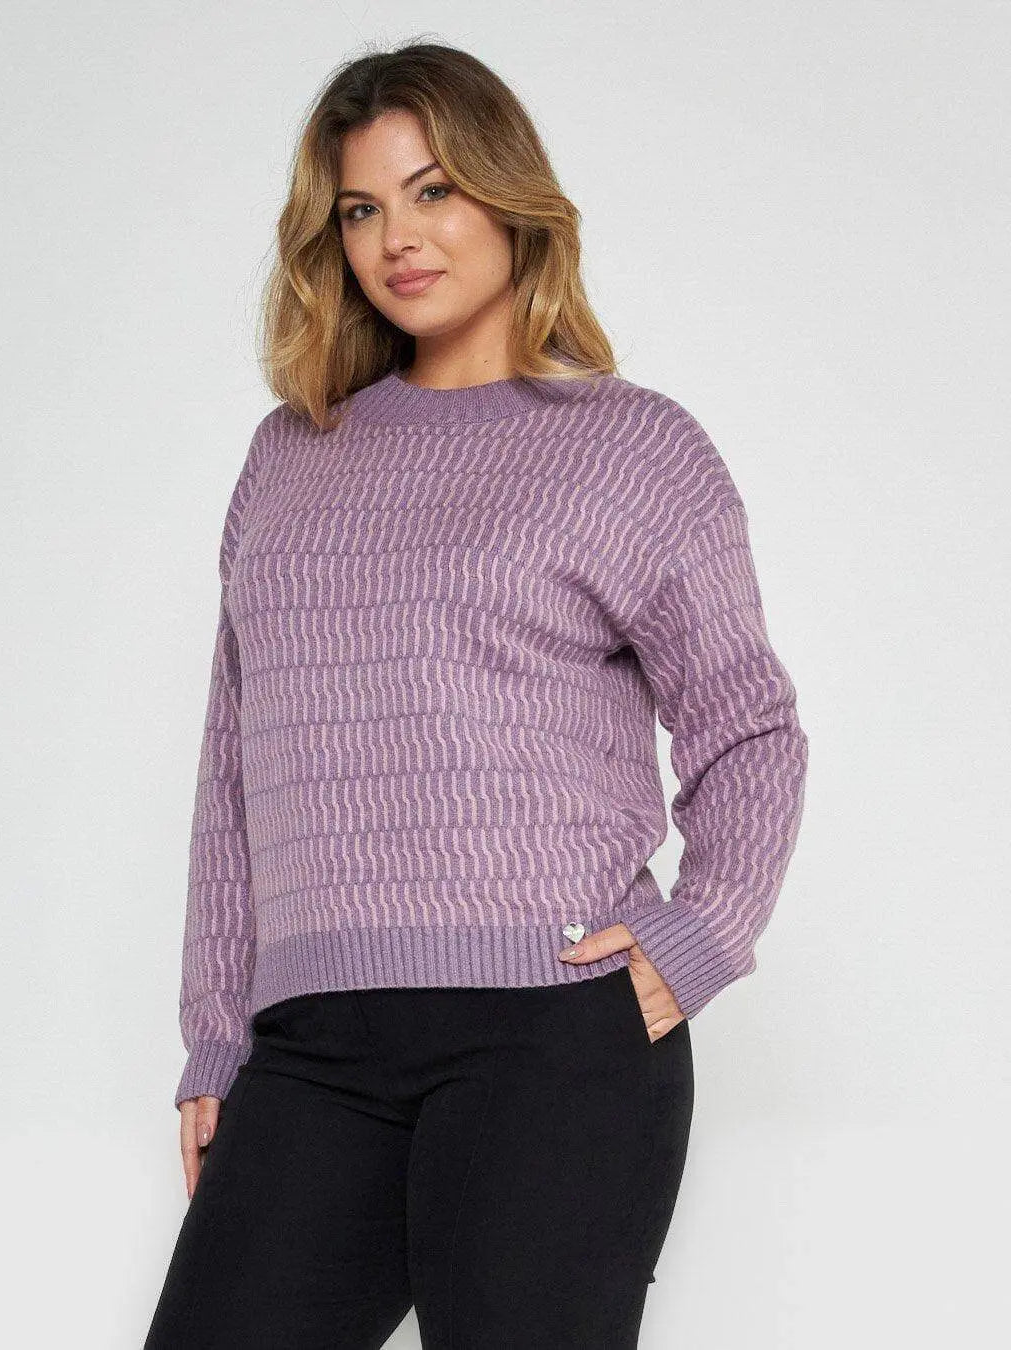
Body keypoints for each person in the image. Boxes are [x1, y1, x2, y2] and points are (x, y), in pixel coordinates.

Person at [144, 40, 809, 1350]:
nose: (398, 237)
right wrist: (218, 1037)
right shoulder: (289, 459)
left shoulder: (633, 448)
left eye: (434, 189)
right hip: (314, 1051)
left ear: (509, 195)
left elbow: (748, 728)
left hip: (551, 1043)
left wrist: (698, 936)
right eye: (361, 208)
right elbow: (234, 771)